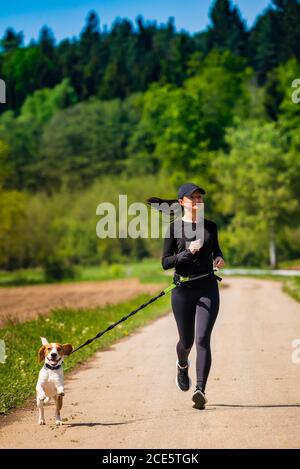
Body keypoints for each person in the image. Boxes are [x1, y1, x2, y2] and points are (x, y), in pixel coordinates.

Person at [147, 182, 225, 410]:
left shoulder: (210, 226)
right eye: (193, 198)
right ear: (182, 202)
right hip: (182, 291)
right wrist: (186, 253)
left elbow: (216, 249)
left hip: (207, 287)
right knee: (187, 341)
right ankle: (182, 365)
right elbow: (165, 263)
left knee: (202, 340)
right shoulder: (174, 229)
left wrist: (218, 257)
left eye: (200, 198)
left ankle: (200, 390)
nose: (198, 201)